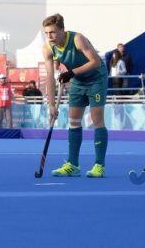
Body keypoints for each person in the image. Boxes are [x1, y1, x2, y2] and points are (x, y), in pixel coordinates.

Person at [41, 13, 108, 178]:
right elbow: (49, 76)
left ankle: (99, 165)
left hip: (96, 78)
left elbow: (95, 62)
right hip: (78, 81)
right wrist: (50, 104)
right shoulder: (48, 48)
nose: (50, 37)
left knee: (97, 120)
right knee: (73, 121)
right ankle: (73, 164)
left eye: (53, 32)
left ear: (62, 30)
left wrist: (71, 72)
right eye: (47, 33)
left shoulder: (77, 39)